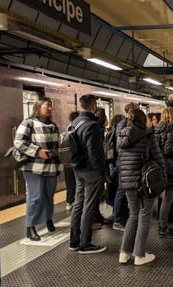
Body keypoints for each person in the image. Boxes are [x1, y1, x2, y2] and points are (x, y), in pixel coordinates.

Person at [118, 109, 166, 266]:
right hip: (145, 183)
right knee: (144, 217)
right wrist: (162, 184)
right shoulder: (148, 137)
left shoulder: (121, 137)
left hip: (127, 182)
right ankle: (139, 255)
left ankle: (124, 254)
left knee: (133, 215)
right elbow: (159, 160)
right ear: (143, 120)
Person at [14, 97, 62, 241]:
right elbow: (18, 142)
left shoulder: (53, 125)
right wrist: (37, 151)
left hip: (51, 166)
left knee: (49, 195)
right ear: (39, 106)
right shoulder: (28, 123)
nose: (50, 108)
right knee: (35, 197)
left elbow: (57, 148)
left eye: (51, 106)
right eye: (47, 105)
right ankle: (31, 227)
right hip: (32, 167)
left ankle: (48, 219)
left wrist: (59, 165)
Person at [69, 94, 107, 254]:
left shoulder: (75, 122)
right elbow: (95, 153)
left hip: (78, 169)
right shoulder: (91, 125)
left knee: (78, 203)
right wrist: (102, 172)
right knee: (89, 206)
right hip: (91, 171)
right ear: (93, 106)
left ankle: (74, 241)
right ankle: (85, 244)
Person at [155, 107, 173, 239]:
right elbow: (168, 151)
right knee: (168, 199)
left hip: (158, 166)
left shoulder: (157, 130)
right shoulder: (171, 130)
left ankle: (163, 225)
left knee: (163, 198)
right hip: (168, 168)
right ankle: (163, 227)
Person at [112, 103, 139, 231]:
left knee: (123, 191)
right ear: (130, 111)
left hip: (124, 162)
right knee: (121, 191)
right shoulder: (123, 123)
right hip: (123, 163)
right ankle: (117, 220)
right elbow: (120, 144)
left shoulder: (125, 123)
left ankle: (121, 217)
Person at [64, 111, 79, 211]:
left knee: (70, 182)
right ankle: (74, 201)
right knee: (76, 182)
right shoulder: (76, 128)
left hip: (67, 160)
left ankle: (69, 201)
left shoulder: (67, 129)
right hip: (75, 159)